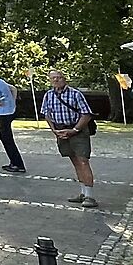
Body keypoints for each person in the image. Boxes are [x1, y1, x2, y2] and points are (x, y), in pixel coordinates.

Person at [42, 70, 101, 207]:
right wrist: (54, 130)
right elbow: (46, 114)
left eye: (59, 77)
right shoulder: (48, 95)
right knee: (75, 161)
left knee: (83, 161)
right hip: (61, 131)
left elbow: (86, 114)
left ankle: (90, 196)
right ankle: (83, 193)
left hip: (77, 131)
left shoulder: (75, 94)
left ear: (64, 79)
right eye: (53, 78)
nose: (56, 80)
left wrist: (74, 130)